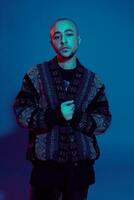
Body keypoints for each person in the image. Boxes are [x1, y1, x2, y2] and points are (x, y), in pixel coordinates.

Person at [13, 17, 112, 200]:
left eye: (69, 34)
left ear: (78, 39)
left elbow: (104, 120)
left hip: (80, 168)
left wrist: (78, 118)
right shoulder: (35, 75)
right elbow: (21, 113)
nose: (63, 40)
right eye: (57, 36)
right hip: (46, 167)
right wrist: (54, 115)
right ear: (52, 42)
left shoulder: (94, 81)